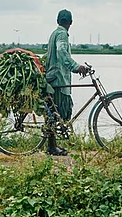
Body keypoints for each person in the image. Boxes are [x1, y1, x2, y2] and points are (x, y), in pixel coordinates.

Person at [43, 8, 89, 156]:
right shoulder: (62, 34)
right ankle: (51, 147)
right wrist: (77, 67)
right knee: (56, 112)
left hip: (54, 76)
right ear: (71, 22)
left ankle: (53, 146)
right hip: (57, 78)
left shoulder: (54, 33)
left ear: (58, 21)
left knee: (54, 112)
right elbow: (62, 52)